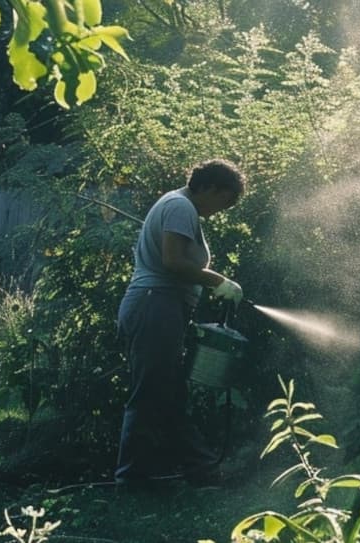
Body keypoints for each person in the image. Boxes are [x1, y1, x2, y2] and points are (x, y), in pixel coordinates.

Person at [114, 159, 245, 489]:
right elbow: (173, 261)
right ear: (210, 188)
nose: (223, 210)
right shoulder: (179, 206)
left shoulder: (179, 205)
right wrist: (218, 281)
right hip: (154, 305)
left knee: (169, 393)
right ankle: (130, 479)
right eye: (225, 201)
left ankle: (198, 470)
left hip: (159, 306)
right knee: (150, 394)